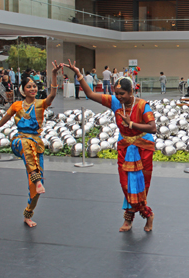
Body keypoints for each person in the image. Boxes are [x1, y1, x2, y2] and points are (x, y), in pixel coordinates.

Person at [65, 59, 156, 232]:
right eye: (117, 93)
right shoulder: (116, 102)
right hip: (124, 147)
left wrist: (132, 124)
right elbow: (91, 94)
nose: (119, 97)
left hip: (143, 147)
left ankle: (144, 216)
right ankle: (133, 217)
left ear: (131, 92)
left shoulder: (143, 105)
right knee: (126, 185)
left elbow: (153, 128)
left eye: (122, 94)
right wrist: (79, 76)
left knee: (140, 186)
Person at [0, 61, 62, 228]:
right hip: (19, 142)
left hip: (36, 145)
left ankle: (28, 213)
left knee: (36, 189)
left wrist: (53, 75)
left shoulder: (41, 104)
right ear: (23, 90)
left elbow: (52, 94)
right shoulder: (16, 106)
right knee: (25, 143)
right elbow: (0, 124)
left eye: (34, 86)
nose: (33, 89)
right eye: (29, 87)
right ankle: (36, 179)